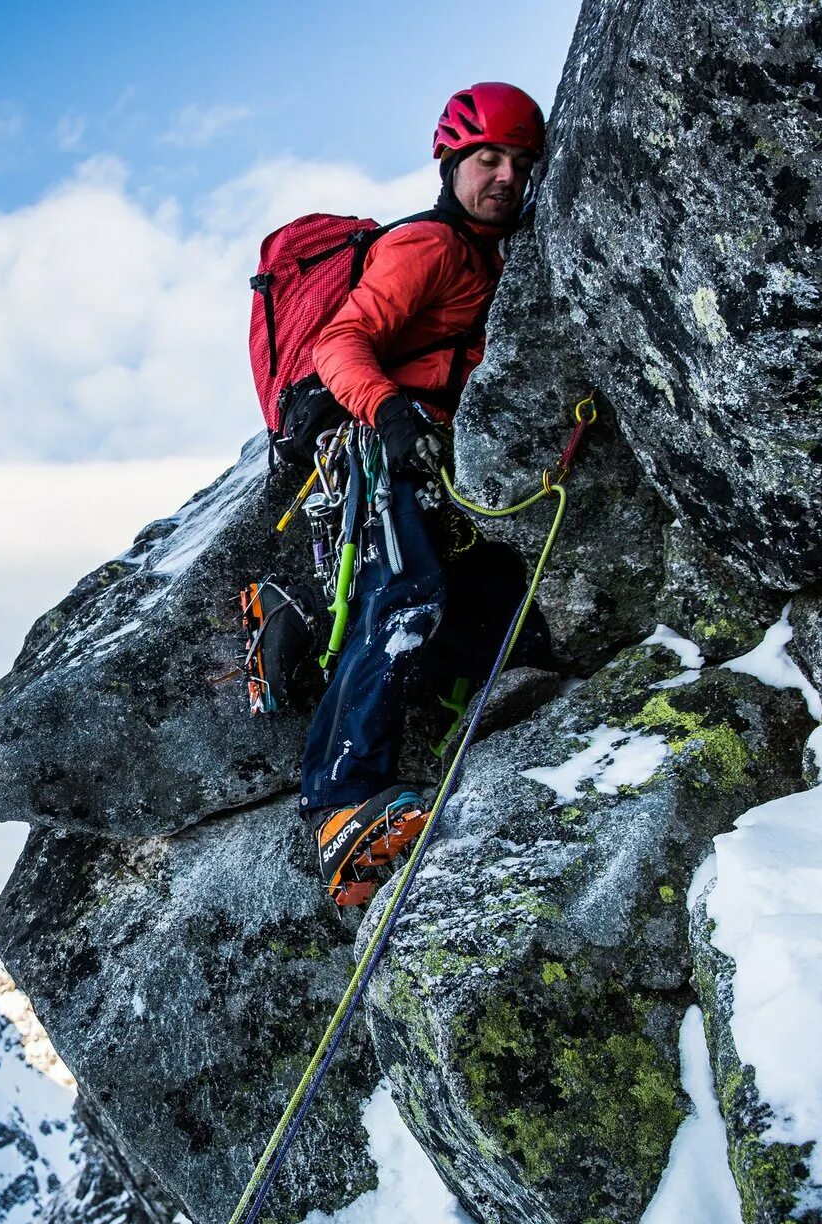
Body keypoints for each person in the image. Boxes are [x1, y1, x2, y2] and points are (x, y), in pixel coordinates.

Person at [300, 82, 547, 906]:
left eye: (520, 162)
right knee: (403, 599)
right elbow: (342, 340)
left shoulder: (499, 256)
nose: (506, 176)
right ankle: (339, 806)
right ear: (452, 163)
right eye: (488, 158)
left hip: (433, 456)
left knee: (486, 608)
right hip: (385, 447)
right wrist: (391, 413)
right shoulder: (431, 249)